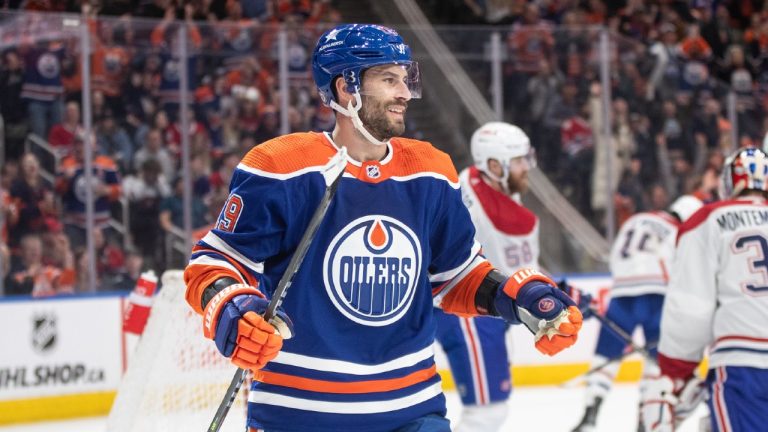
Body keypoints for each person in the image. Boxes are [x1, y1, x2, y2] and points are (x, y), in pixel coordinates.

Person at [183, 24, 584, 432]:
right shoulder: (282, 166)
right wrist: (234, 309)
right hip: (299, 414)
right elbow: (213, 265)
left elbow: (456, 277)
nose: (405, 93)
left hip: (412, 410)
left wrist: (516, 296)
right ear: (346, 88)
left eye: (405, 78)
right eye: (388, 79)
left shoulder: (431, 169)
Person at [640, 147, 768, 432]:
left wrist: (675, 372)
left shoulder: (709, 219)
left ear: (728, 182)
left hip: (745, 364)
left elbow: (692, 307)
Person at [434, 121, 538, 431]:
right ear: (494, 165)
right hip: (469, 312)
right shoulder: (469, 201)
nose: (526, 168)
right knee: (486, 413)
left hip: (482, 311)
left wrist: (560, 289)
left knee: (489, 412)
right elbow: (510, 271)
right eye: (519, 161)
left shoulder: (495, 192)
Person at [572, 193, 703, 432]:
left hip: (622, 293)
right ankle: (644, 418)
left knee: (605, 355)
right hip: (657, 295)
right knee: (655, 360)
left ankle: (590, 413)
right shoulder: (679, 230)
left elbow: (615, 257)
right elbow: (682, 267)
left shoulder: (636, 219)